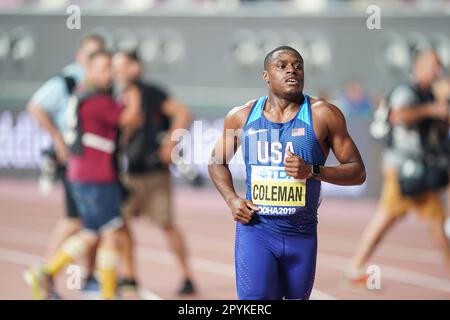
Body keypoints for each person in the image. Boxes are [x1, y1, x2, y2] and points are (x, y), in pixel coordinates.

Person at [208, 46, 366, 300]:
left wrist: (313, 171)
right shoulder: (241, 117)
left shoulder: (323, 114)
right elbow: (216, 162)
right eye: (281, 66)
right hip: (257, 230)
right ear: (266, 76)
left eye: (298, 65)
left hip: (301, 233)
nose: (292, 69)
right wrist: (231, 199)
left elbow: (358, 172)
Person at [24, 49, 141, 300]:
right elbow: (129, 118)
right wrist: (132, 90)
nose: (109, 74)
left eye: (111, 69)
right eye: (104, 70)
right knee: (107, 231)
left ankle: (48, 273)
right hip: (96, 175)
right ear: (88, 71)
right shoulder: (97, 100)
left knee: (94, 231)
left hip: (86, 174)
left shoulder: (85, 96)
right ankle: (49, 273)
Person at [348, 49, 450, 285]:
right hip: (403, 168)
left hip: (420, 168)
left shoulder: (432, 94)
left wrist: (441, 103)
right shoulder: (408, 91)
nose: (438, 70)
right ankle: (354, 267)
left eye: (439, 65)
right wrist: (432, 109)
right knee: (388, 217)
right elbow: (398, 116)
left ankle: (355, 267)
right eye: (433, 64)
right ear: (418, 66)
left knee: (431, 222)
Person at [112, 51, 197, 295]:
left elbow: (182, 112)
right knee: (120, 224)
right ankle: (129, 275)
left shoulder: (151, 91)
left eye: (124, 65)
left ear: (136, 67)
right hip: (126, 172)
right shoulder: (114, 95)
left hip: (154, 173)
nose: (119, 71)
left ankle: (186, 276)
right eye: (115, 66)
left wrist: (170, 143)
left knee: (167, 223)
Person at [26, 34, 105, 292]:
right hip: (75, 160)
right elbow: (35, 106)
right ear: (80, 56)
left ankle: (89, 278)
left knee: (96, 224)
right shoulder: (68, 81)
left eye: (99, 54)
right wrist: (59, 141)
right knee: (78, 221)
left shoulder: (102, 82)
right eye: (89, 54)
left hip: (95, 162)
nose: (95, 59)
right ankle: (46, 273)